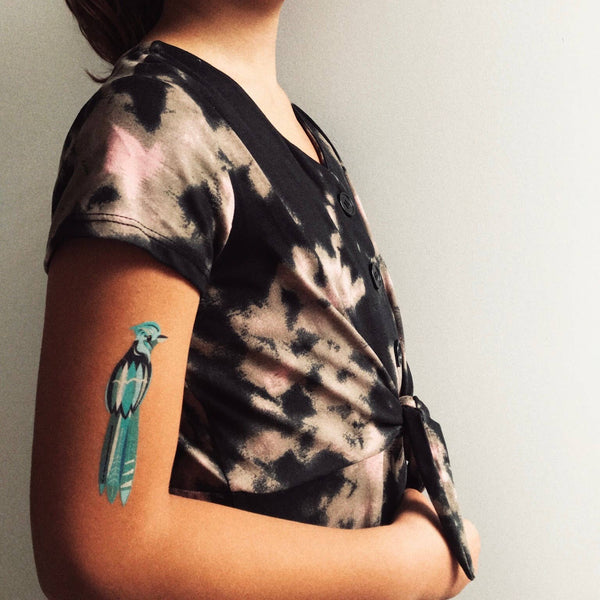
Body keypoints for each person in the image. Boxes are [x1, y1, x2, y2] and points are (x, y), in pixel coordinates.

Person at [30, 1, 481, 598]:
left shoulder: (299, 134)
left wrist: (427, 515)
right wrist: (411, 567)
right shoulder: (153, 125)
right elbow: (99, 548)